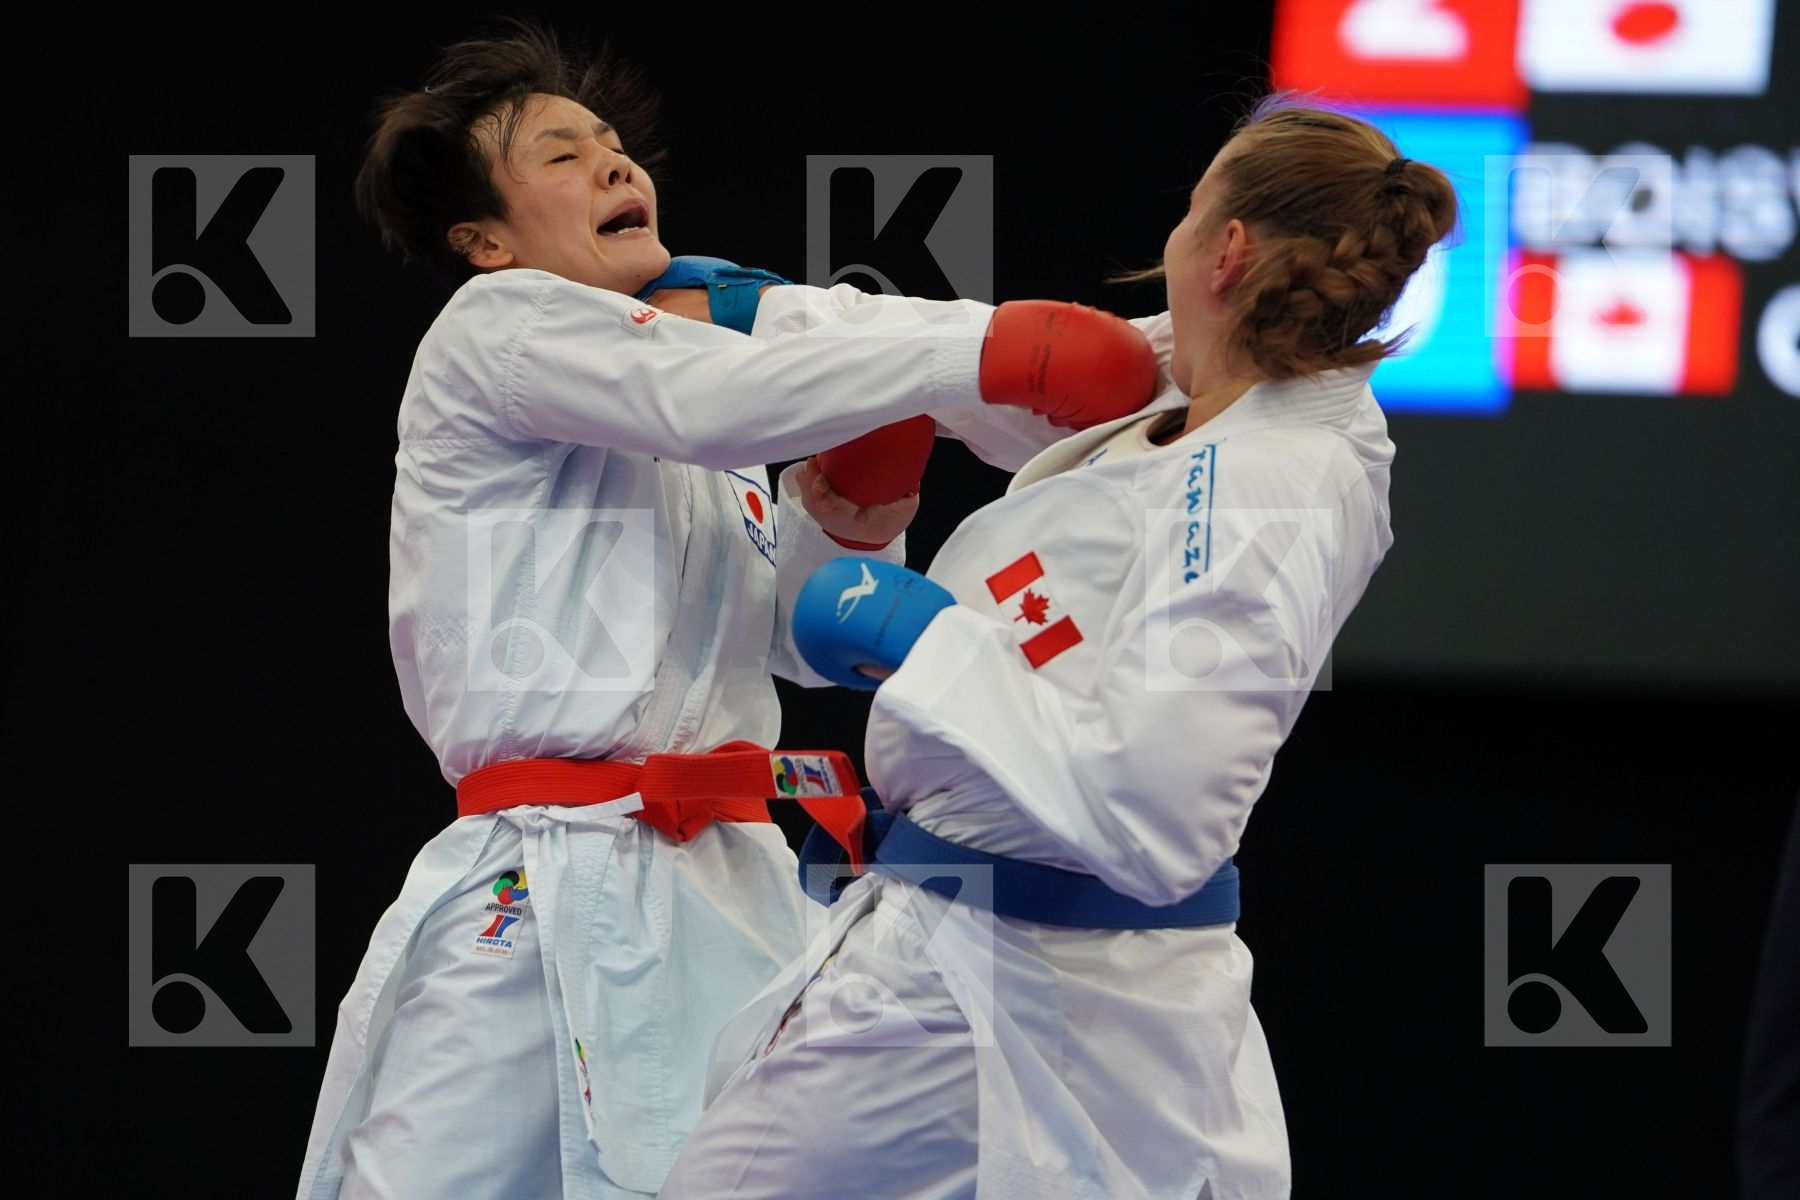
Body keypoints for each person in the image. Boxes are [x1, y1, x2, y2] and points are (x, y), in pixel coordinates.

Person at [292, 19, 1159, 1200]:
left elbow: (795, 639)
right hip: (544, 883)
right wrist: (979, 349)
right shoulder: (497, 332)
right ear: (485, 238)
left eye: (615, 148)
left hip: (737, 879)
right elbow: (730, 395)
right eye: (562, 155)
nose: (614, 166)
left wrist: (858, 507)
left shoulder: (696, 427)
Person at [659, 95, 1460, 1200]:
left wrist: (931, 643)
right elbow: (988, 356)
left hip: (1048, 971)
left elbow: (1164, 810)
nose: (1172, 236)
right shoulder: (1197, 381)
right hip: (953, 954)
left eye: (1191, 211)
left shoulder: (1284, 484)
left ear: (1226, 249)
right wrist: (774, 317)